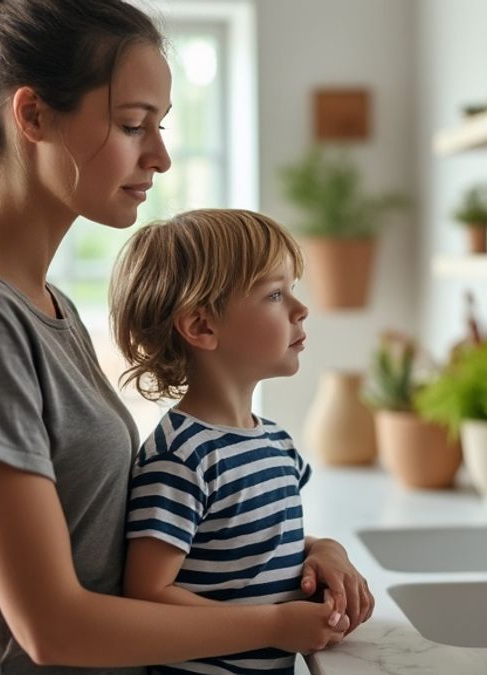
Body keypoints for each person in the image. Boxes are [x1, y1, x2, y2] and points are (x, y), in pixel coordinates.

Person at [0, 1, 371, 672]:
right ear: (33, 115)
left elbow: (101, 543)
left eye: (160, 126)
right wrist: (272, 623)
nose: (159, 156)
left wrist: (303, 553)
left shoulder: (46, 305)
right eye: (133, 125)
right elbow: (54, 629)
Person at [110, 209, 359, 675]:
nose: (301, 309)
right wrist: (272, 625)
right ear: (202, 327)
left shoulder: (277, 444)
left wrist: (323, 549)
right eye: (276, 294)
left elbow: (252, 544)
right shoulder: (181, 458)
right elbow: (147, 595)